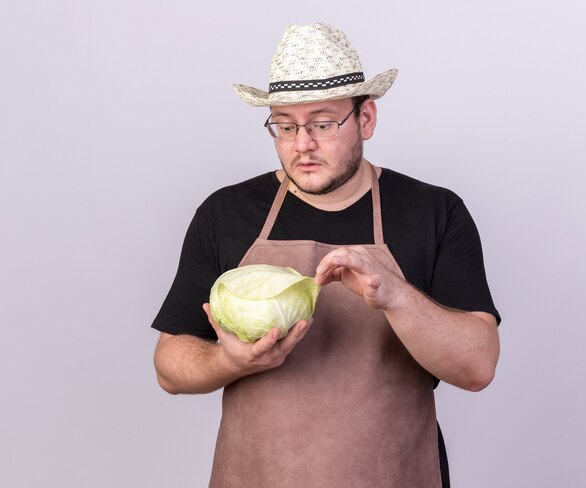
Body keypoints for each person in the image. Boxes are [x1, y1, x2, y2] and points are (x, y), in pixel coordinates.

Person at [151, 22, 500, 488]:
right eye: (285, 125)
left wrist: (393, 294)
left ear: (366, 119)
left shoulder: (434, 212)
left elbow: (477, 366)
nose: (302, 145)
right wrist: (230, 362)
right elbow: (170, 365)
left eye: (322, 122)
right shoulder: (225, 213)